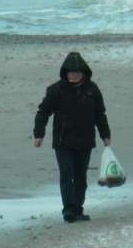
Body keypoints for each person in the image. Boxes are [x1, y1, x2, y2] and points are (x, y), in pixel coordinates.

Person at [33, 51, 112, 222]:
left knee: (81, 177)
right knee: (66, 174)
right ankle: (68, 210)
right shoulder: (55, 90)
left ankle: (78, 209)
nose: (74, 75)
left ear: (84, 72)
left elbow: (100, 114)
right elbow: (43, 113)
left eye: (77, 72)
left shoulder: (92, 89)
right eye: (71, 72)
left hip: (85, 141)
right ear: (65, 72)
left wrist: (105, 135)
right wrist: (38, 134)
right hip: (63, 141)